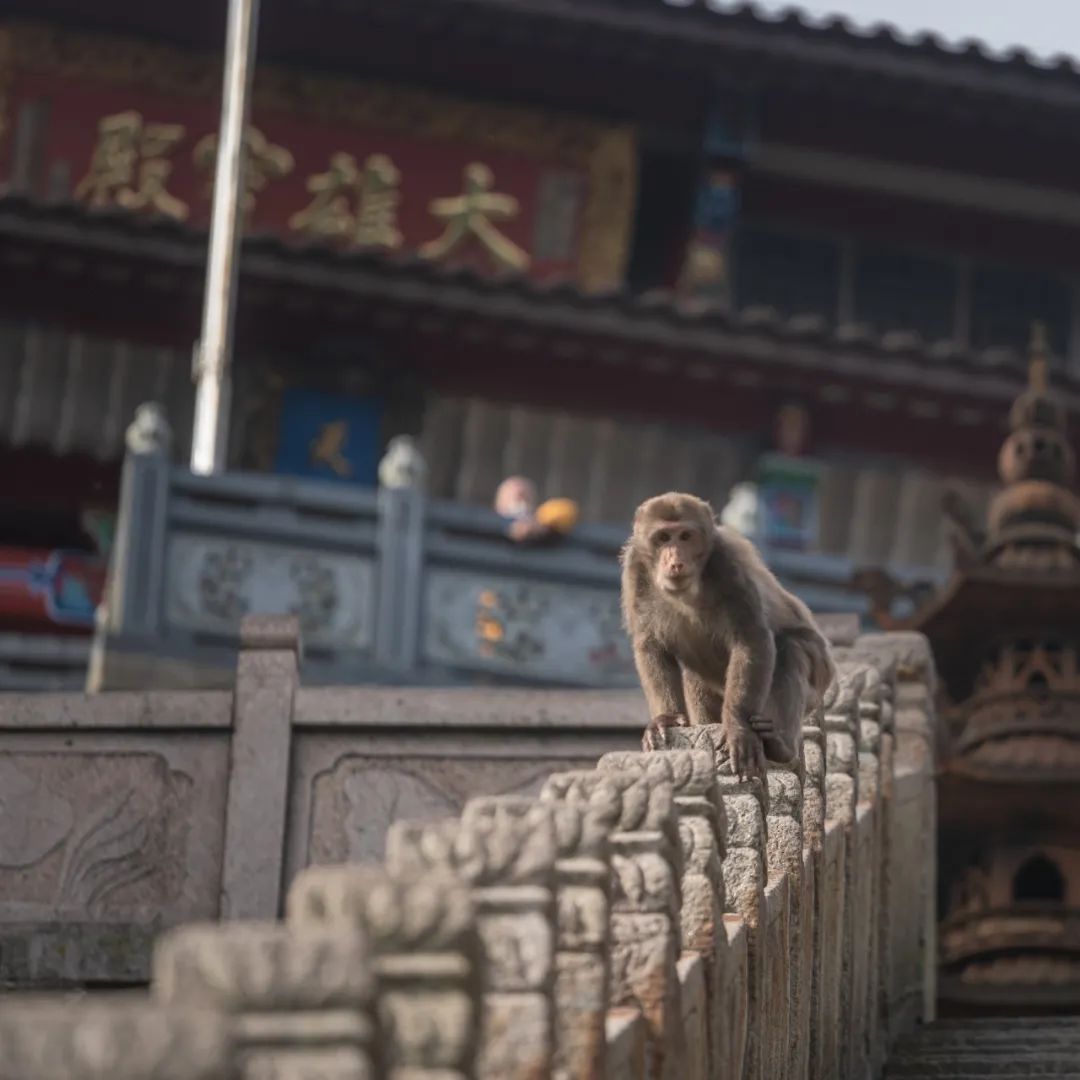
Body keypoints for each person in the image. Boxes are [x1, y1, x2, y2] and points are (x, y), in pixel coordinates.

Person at [494, 476, 579, 543]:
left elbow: (568, 510)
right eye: (512, 496)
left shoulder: (545, 523)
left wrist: (542, 526)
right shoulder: (492, 528)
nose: (519, 498)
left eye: (525, 496)